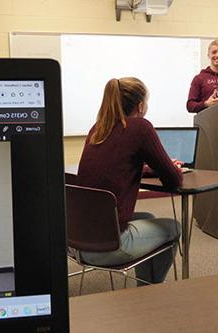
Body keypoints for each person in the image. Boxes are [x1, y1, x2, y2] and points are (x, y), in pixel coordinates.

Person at [76, 77, 183, 285]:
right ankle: (147, 290)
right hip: (109, 245)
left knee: (149, 216)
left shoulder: (98, 128)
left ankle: (145, 289)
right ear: (141, 105)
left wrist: (148, 170)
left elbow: (119, 162)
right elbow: (172, 180)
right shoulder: (140, 128)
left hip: (78, 239)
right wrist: (172, 167)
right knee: (174, 227)